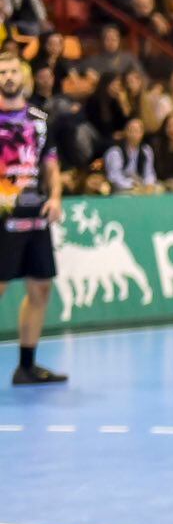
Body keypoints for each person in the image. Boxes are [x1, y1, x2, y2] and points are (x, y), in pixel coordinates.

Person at [0, 50, 65, 384]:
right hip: (2, 217)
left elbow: (50, 165)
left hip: (35, 214)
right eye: (2, 72)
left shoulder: (39, 118)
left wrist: (54, 197)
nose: (8, 77)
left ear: (22, 75)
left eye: (13, 70)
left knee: (40, 289)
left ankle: (27, 366)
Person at [104, 116, 157, 194]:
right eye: (132, 130)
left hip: (141, 184)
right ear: (125, 132)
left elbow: (149, 172)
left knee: (158, 190)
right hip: (122, 187)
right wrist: (131, 184)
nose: (135, 133)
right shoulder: (115, 151)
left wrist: (149, 183)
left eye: (138, 130)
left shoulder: (146, 150)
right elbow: (114, 177)